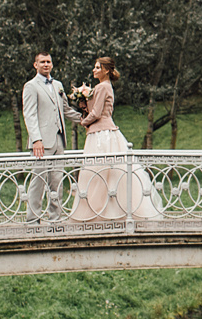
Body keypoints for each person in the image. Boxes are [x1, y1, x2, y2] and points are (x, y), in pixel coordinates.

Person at [69, 55, 166, 223]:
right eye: (95, 67)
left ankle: (102, 211)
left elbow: (97, 113)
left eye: (98, 67)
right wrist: (84, 103)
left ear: (106, 70)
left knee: (99, 172)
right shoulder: (105, 87)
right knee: (110, 173)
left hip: (101, 134)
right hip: (104, 132)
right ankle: (110, 209)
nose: (94, 69)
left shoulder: (102, 87)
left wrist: (83, 122)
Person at [21, 51, 81, 222]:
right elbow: (30, 114)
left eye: (48, 62)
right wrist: (36, 139)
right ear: (36, 65)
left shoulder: (58, 85)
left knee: (57, 182)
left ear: (52, 64)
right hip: (41, 143)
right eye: (42, 62)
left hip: (59, 140)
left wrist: (85, 119)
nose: (46, 64)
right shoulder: (31, 86)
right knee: (38, 181)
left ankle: (55, 218)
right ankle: (33, 219)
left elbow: (66, 110)